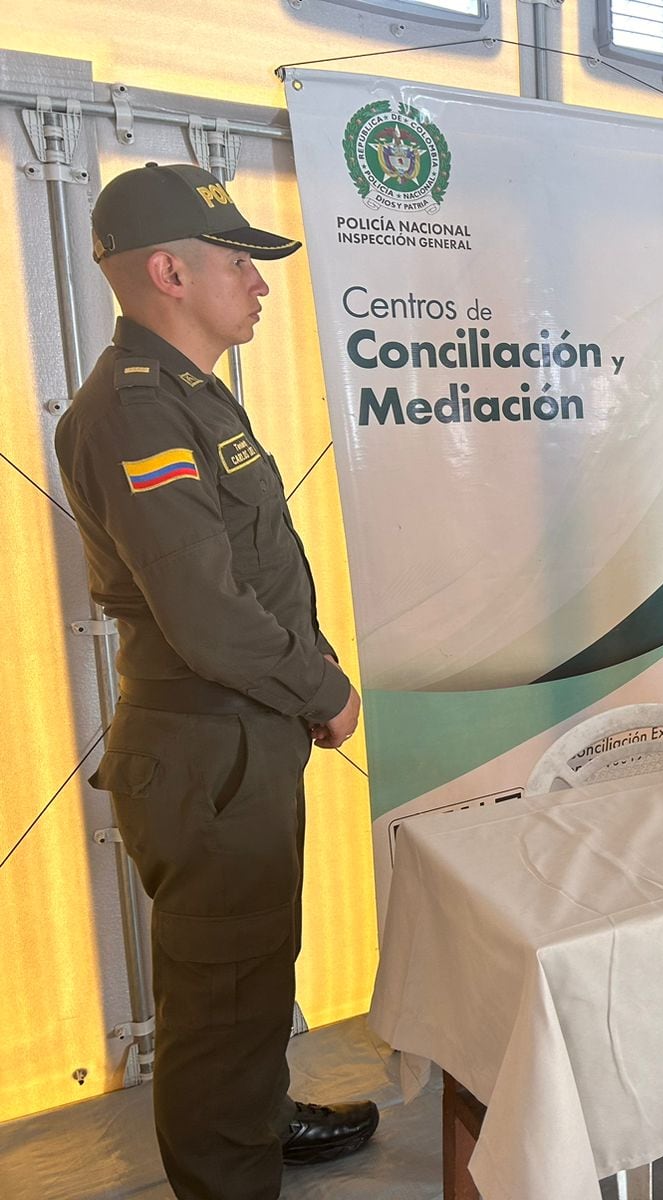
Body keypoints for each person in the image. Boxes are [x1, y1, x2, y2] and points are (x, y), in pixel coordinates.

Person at [54, 163, 380, 1200]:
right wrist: (321, 689)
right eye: (239, 261)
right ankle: (227, 1175)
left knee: (247, 969)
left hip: (237, 736)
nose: (260, 281)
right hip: (208, 743)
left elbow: (246, 571)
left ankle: (255, 1117)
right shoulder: (137, 413)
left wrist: (299, 682)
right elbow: (206, 612)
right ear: (168, 271)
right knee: (220, 991)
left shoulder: (189, 394)